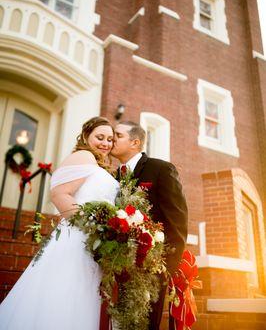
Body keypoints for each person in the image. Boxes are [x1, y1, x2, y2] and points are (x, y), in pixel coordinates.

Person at [0, 117, 119, 330]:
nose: (106, 143)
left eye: (110, 139)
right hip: (78, 238)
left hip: (94, 243)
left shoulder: (99, 164)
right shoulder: (84, 156)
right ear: (85, 136)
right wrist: (91, 227)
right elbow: (58, 193)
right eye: (99, 137)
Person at [111, 120, 188, 330]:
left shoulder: (161, 169)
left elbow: (177, 220)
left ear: (135, 142)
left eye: (117, 135)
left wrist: (166, 269)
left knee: (144, 325)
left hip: (151, 269)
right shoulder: (112, 177)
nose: (111, 140)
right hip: (118, 267)